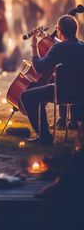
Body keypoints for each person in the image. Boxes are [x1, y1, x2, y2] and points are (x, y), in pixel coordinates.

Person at [20, 15, 84, 145]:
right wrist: (46, 38)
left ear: (59, 31)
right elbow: (67, 46)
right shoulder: (81, 46)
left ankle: (44, 136)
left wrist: (34, 48)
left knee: (26, 96)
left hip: (61, 93)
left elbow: (39, 68)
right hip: (80, 94)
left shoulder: (58, 48)